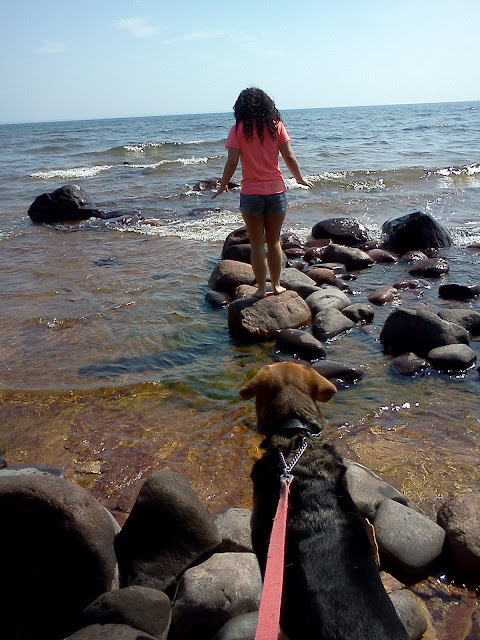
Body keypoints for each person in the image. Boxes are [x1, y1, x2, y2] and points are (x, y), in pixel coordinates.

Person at [212, 87, 314, 298]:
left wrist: (223, 185)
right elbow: (289, 156)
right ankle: (276, 286)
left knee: (257, 244)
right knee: (274, 241)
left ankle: (260, 289)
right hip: (276, 191)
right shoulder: (276, 126)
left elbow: (232, 162)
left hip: (250, 193)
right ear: (268, 105)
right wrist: (299, 178)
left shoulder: (237, 129)